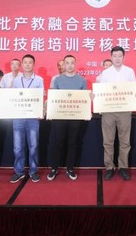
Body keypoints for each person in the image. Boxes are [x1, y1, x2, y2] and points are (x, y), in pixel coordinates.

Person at [47, 54, 87, 181]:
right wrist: (50, 112)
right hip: (60, 116)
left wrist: (86, 110)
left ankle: (70, 168)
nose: (69, 65)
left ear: (75, 64)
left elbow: (84, 100)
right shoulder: (57, 79)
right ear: (64, 64)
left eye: (72, 63)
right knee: (58, 142)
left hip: (75, 117)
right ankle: (54, 168)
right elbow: (53, 98)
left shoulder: (82, 80)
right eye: (67, 63)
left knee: (72, 143)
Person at [99, 46, 136, 181]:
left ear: (123, 57)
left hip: (125, 111)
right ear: (111, 57)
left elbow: (133, 90)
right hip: (108, 111)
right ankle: (109, 167)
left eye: (120, 56)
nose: (117, 58)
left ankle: (123, 167)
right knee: (108, 141)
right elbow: (101, 91)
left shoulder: (129, 71)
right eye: (115, 56)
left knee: (125, 141)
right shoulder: (105, 73)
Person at [10, 54, 44, 183]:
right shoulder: (16, 80)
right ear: (22, 64)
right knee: (18, 147)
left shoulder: (39, 80)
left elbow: (41, 98)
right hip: (18, 117)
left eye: (30, 62)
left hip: (33, 118)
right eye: (25, 62)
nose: (28, 64)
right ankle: (19, 172)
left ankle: (33, 171)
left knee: (33, 146)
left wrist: (40, 111)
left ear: (33, 64)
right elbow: (13, 97)